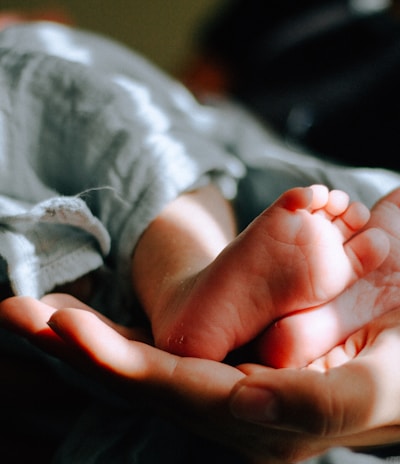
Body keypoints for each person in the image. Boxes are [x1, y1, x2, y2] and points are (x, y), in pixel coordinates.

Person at [1, 19, 400, 464]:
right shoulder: (300, 16)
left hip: (250, 207)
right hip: (248, 198)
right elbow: (190, 92)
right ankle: (254, 310)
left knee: (54, 72)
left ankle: (191, 284)